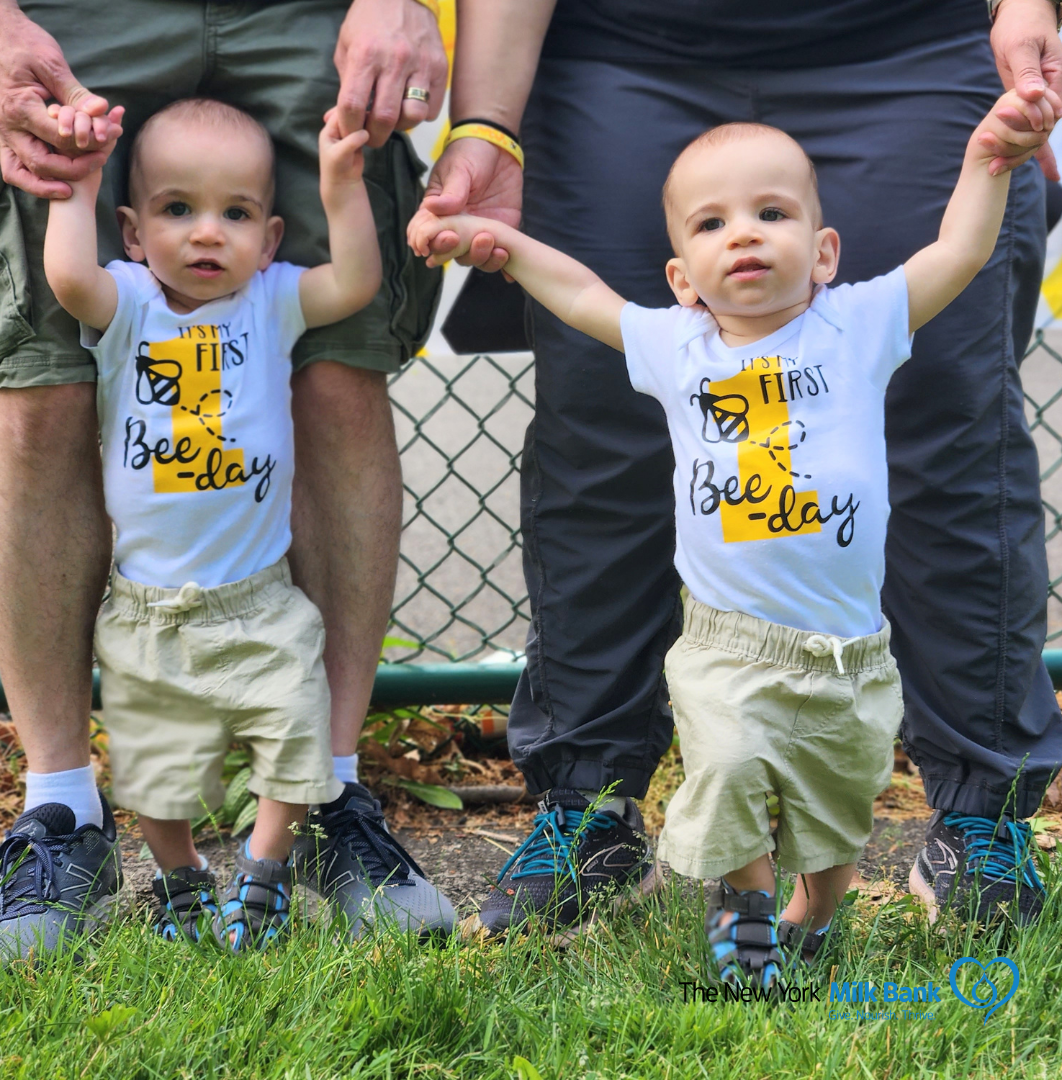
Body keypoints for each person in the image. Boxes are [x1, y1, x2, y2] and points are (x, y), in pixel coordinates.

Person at [419, 0, 1062, 937]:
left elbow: (957, 254)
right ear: (683, 281)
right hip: (624, 45)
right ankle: (589, 807)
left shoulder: (861, 314)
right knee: (597, 427)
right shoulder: (668, 328)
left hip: (904, 38)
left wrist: (1021, 38)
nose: (746, 235)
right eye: (720, 227)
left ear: (824, 253)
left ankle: (981, 812)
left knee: (951, 413)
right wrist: (489, 144)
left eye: (768, 220)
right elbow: (586, 299)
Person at [0, 0, 452, 957]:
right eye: (178, 213)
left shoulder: (274, 297)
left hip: (259, 598)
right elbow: (69, 283)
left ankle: (311, 825)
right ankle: (83, 825)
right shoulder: (129, 302)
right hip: (147, 604)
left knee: (342, 380)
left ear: (269, 239)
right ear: (131, 229)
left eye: (236, 216)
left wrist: (340, 183)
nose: (206, 235)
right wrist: (75, 181)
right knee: (35, 386)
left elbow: (352, 286)